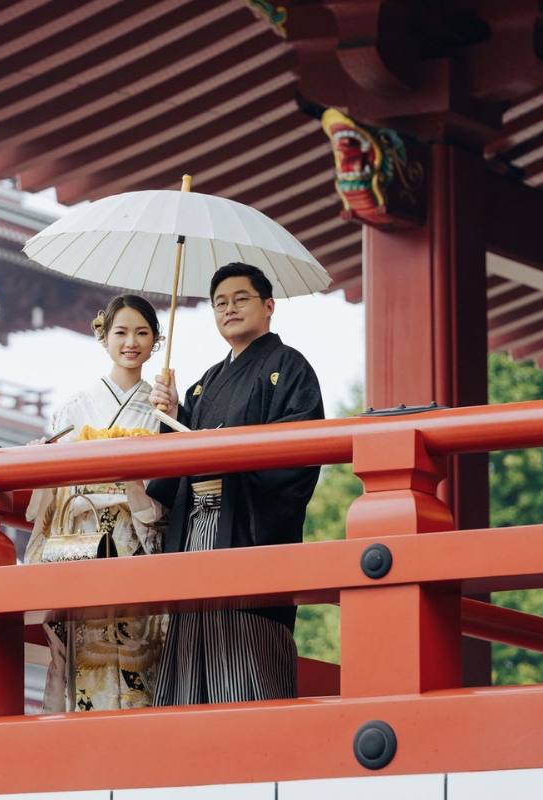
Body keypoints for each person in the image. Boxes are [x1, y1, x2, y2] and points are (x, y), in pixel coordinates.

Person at [146, 262, 325, 705]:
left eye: (240, 299)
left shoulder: (290, 368)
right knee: (189, 648)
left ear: (268, 306)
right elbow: (177, 463)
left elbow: (300, 455)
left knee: (246, 653)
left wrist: (226, 455)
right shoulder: (203, 385)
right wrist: (173, 415)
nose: (229, 309)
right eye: (219, 303)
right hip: (196, 527)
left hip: (247, 526)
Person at [24, 294, 168, 712]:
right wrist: (41, 458)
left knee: (139, 660)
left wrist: (172, 415)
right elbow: (53, 492)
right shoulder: (73, 408)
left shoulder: (162, 411)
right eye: (121, 332)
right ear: (103, 337)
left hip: (134, 536)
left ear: (156, 341)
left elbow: (170, 489)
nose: (131, 342)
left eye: (143, 333)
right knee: (84, 659)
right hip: (81, 539)